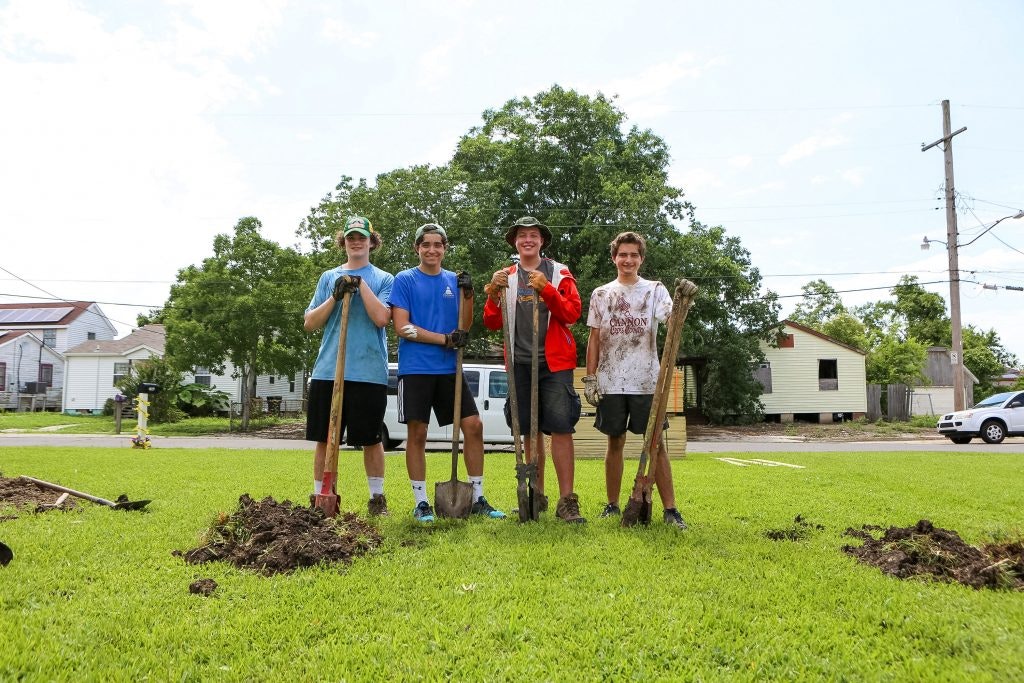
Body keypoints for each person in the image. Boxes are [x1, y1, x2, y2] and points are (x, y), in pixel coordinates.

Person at [388, 223, 506, 522]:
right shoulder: (405, 279)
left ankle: (478, 497)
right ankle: (422, 502)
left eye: (437, 245)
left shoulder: (453, 280)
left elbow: (463, 328)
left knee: (474, 425)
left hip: (449, 369)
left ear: (444, 248)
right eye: (425, 244)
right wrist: (442, 339)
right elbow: (403, 327)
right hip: (415, 369)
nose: (431, 250)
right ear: (417, 248)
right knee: (418, 433)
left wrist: (468, 294)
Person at [483, 216, 585, 523]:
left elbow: (573, 313)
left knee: (561, 428)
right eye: (522, 235)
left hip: (554, 364)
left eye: (534, 235)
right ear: (515, 242)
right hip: (520, 363)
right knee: (529, 431)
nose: (528, 240)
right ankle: (535, 495)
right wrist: (492, 295)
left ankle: (567, 500)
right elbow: (491, 323)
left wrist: (548, 291)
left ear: (542, 241)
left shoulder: (559, 273)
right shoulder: (507, 276)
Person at [583, 231, 687, 529]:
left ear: (641, 259)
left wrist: (683, 300)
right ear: (614, 257)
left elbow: (673, 318)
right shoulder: (601, 294)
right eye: (622, 254)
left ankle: (671, 510)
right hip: (611, 379)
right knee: (615, 442)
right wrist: (591, 378)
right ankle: (612, 505)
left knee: (656, 444)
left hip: (646, 380)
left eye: (634, 255)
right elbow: (593, 339)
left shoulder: (654, 290)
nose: (628, 260)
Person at [304, 216, 394, 516]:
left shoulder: (384, 279)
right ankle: (321, 497)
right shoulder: (328, 277)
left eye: (362, 237)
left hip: (368, 372)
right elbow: (310, 323)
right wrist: (335, 295)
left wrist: (360, 285)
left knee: (370, 439)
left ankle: (376, 499)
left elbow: (382, 318)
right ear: (344, 242)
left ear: (372, 242)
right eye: (351, 237)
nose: (357, 242)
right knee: (324, 438)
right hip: (328, 371)